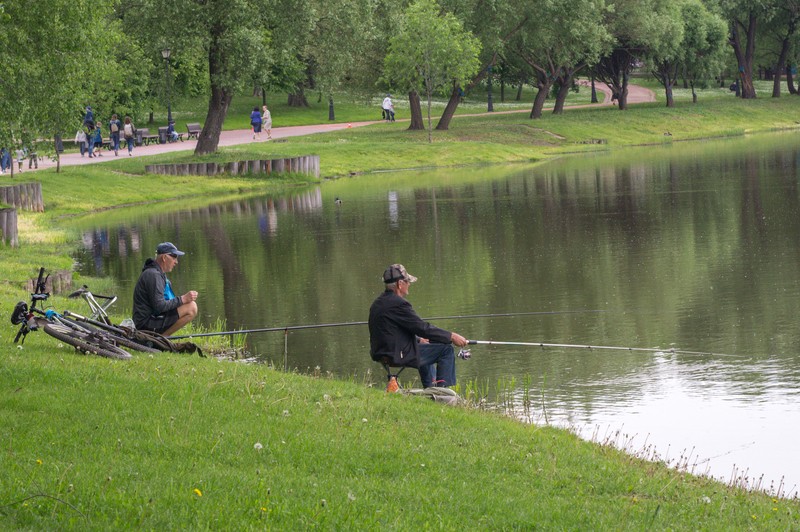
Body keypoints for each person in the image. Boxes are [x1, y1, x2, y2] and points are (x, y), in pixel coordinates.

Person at [368, 264, 468, 388]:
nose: (409, 284)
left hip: (380, 353)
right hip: (395, 355)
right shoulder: (400, 304)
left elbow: (390, 332)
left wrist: (419, 340)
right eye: (407, 281)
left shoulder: (377, 303)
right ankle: (443, 393)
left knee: (424, 345)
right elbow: (422, 328)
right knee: (446, 350)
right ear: (400, 284)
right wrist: (451, 336)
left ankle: (431, 388)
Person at [132, 242, 198, 336]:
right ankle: (159, 339)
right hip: (145, 324)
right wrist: (183, 299)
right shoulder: (153, 275)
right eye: (174, 257)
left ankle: (161, 339)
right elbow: (159, 306)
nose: (176, 262)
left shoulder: (158, 273)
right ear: (164, 258)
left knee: (189, 305)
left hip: (150, 318)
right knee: (191, 307)